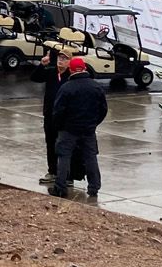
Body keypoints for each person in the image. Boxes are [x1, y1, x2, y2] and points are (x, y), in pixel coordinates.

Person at [52, 57, 107, 199]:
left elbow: (58, 111)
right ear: (84, 69)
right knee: (90, 157)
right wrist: (93, 123)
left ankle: (60, 187)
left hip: (68, 129)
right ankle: (94, 187)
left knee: (64, 157)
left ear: (70, 70)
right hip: (88, 129)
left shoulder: (66, 88)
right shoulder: (96, 87)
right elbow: (103, 110)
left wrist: (59, 126)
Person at [31, 49, 71, 185]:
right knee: (51, 144)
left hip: (65, 119)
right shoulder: (51, 72)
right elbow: (35, 78)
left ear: (69, 62)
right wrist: (42, 64)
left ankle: (67, 175)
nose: (61, 60)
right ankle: (52, 171)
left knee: (65, 146)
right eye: (60, 58)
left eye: (65, 58)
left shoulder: (71, 76)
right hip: (49, 116)